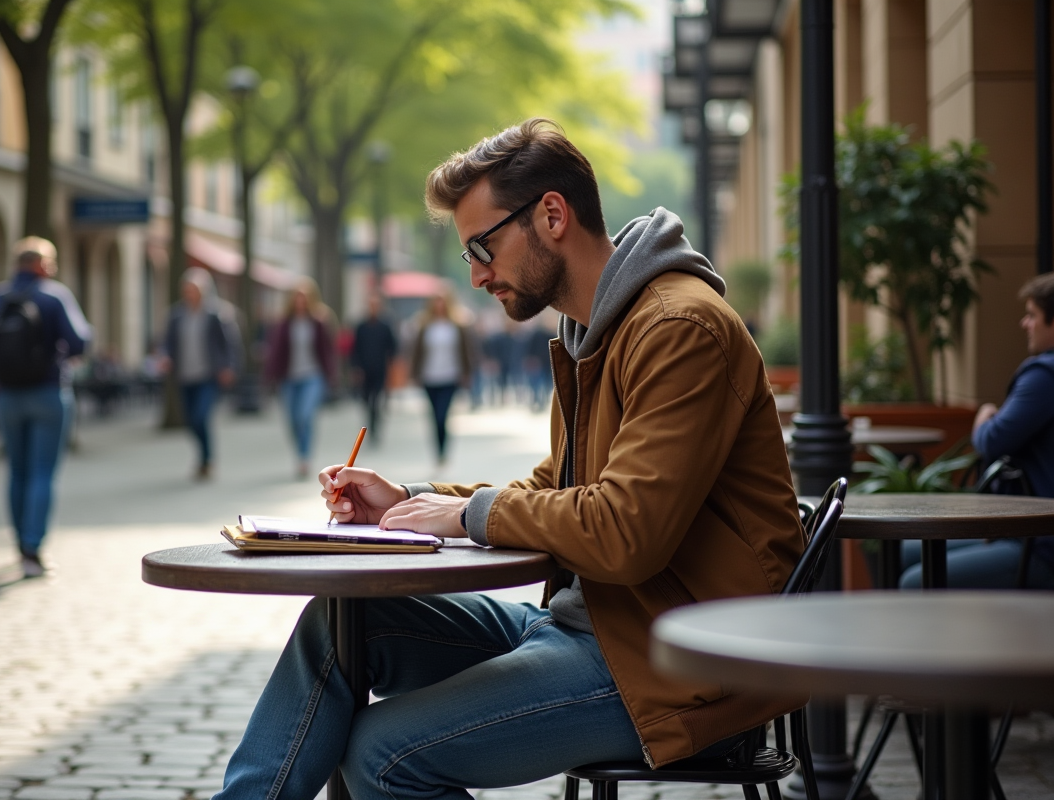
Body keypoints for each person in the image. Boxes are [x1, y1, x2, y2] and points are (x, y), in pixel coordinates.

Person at [213, 119, 804, 800]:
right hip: (602, 627)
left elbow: (624, 535)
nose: (475, 275)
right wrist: (410, 497)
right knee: (342, 621)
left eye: (481, 247)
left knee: (383, 754)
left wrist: (464, 514)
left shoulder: (677, 328)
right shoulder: (596, 328)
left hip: (682, 665)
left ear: (551, 214)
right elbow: (556, 489)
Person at [899, 272, 1054, 590]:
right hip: (1025, 534)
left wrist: (984, 415)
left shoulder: (1044, 377)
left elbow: (991, 440)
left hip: (1039, 546)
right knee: (908, 551)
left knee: (915, 582)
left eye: (1032, 315)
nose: (1025, 324)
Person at [0, 237, 91, 578]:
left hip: (6, 396)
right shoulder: (54, 296)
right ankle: (32, 549)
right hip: (49, 393)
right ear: (42, 265)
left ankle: (19, 542)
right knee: (42, 473)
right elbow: (79, 341)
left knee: (17, 471)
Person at [163, 267, 241, 481]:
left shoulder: (217, 314)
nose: (190, 293)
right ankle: (204, 457)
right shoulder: (176, 315)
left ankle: (207, 459)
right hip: (185, 376)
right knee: (190, 420)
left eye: (194, 289)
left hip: (208, 376)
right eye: (187, 289)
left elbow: (230, 343)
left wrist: (229, 367)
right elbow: (167, 343)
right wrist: (165, 357)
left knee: (200, 416)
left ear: (204, 290)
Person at [265, 279, 337, 479]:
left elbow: (328, 351)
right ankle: (299, 450)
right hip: (288, 378)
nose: (300, 302)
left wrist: (331, 375)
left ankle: (304, 457)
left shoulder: (320, 321)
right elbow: (275, 351)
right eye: (297, 297)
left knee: (305, 416)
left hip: (312, 376)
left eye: (304, 298)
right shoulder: (283, 323)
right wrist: (269, 375)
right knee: (292, 419)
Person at [410, 288, 475, 466]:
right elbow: (416, 352)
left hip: (450, 377)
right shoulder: (425, 325)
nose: (439, 304)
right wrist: (414, 373)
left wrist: (467, 372)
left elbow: (466, 351)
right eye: (436, 300)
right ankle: (437, 451)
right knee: (433, 416)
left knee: (442, 415)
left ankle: (443, 451)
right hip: (429, 377)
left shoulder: (457, 325)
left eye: (442, 300)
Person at [350, 294, 397, 445]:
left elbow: (393, 348)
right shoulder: (361, 327)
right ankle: (369, 424)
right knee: (366, 401)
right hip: (365, 370)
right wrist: (356, 368)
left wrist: (392, 366)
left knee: (376, 400)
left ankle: (375, 427)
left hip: (380, 369)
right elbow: (355, 349)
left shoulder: (385, 326)